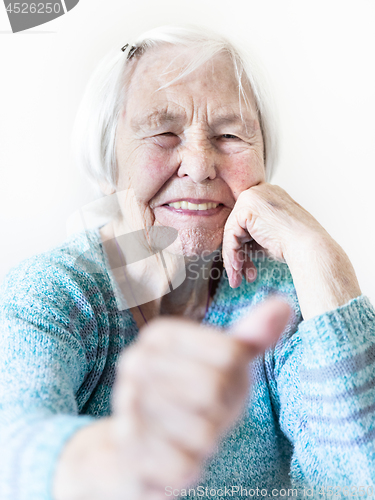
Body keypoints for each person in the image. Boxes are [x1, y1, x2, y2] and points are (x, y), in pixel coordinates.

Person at [0, 25, 374, 500]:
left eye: (230, 134)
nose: (199, 165)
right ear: (108, 158)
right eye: (163, 132)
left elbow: (355, 481)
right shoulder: (56, 289)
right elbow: (12, 447)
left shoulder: (285, 296)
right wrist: (118, 459)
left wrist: (322, 261)